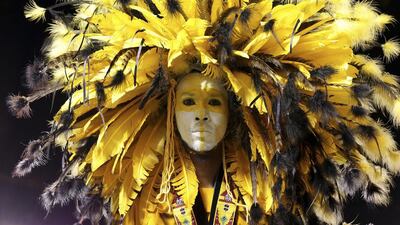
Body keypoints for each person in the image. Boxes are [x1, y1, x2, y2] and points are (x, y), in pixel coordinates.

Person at [10, 0, 400, 225]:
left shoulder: (268, 201)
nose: (201, 115)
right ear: (168, 112)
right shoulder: (142, 206)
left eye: (214, 102)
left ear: (237, 112)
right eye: (189, 101)